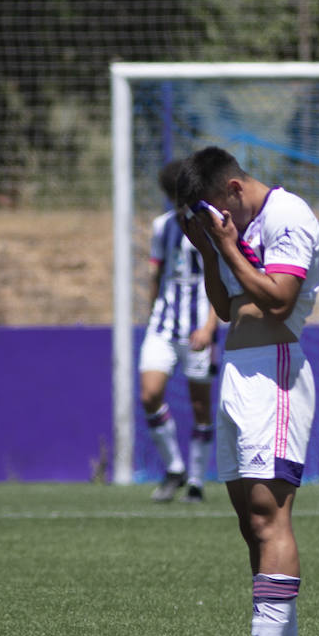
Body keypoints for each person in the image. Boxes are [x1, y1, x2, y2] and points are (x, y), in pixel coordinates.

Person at [177, 146, 319, 636]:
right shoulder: (228, 234)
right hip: (238, 370)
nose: (220, 222)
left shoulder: (289, 215)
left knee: (270, 516)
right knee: (249, 522)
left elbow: (279, 299)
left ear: (233, 189)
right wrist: (207, 252)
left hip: (275, 370)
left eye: (219, 210)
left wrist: (225, 245)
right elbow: (226, 306)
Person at [139, 159, 217, 502]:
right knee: (149, 395)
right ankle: (175, 467)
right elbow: (156, 275)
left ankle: (197, 481)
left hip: (198, 329)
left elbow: (220, 281)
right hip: (163, 326)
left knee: (201, 405)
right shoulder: (162, 227)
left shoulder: (210, 225)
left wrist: (210, 327)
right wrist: (153, 312)